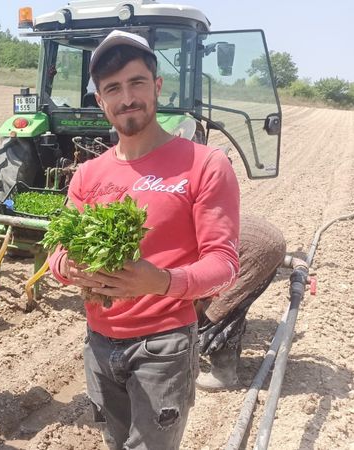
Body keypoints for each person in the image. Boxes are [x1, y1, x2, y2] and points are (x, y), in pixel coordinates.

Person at [46, 31, 240, 449]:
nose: (127, 98)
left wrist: (162, 281)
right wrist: (68, 267)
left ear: (157, 86)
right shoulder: (88, 174)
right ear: (101, 100)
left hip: (164, 346)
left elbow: (224, 263)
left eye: (137, 83)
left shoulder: (205, 164)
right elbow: (58, 250)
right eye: (113, 88)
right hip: (99, 342)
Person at [195, 214, 286, 390]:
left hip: (254, 247)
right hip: (262, 241)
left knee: (219, 310)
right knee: (235, 307)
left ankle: (223, 375)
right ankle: (231, 360)